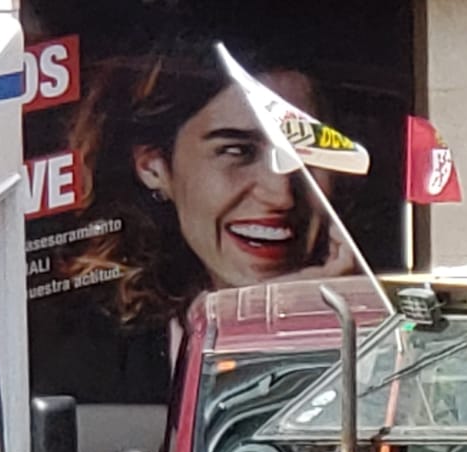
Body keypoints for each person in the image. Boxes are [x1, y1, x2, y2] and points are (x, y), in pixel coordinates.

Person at [65, 35, 356, 338]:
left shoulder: (380, 325)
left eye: (305, 151)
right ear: (154, 166)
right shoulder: (93, 353)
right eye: (238, 151)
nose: (281, 194)